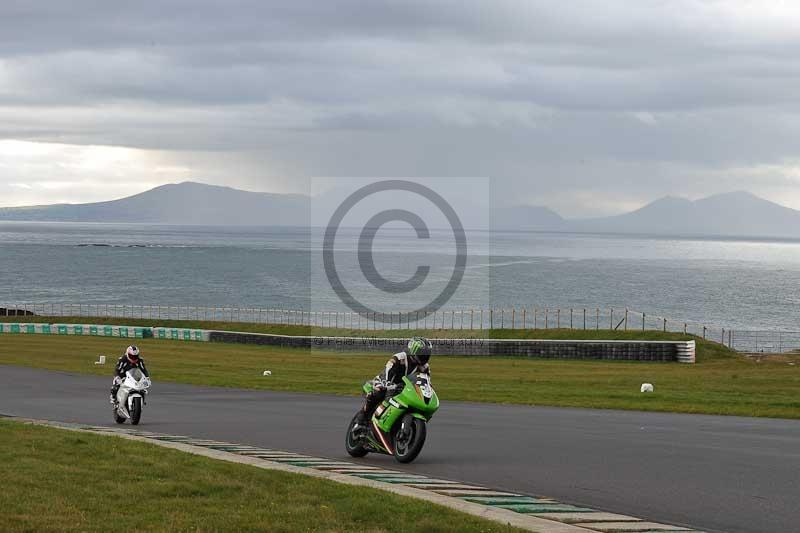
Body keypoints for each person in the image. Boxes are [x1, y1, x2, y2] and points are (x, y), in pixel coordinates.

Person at [356, 336, 432, 424]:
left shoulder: (425, 368)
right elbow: (388, 370)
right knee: (379, 391)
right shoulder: (400, 358)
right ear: (414, 350)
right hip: (385, 382)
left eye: (427, 354)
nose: (425, 356)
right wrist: (387, 383)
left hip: (405, 389)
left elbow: (426, 382)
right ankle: (363, 414)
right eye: (422, 353)